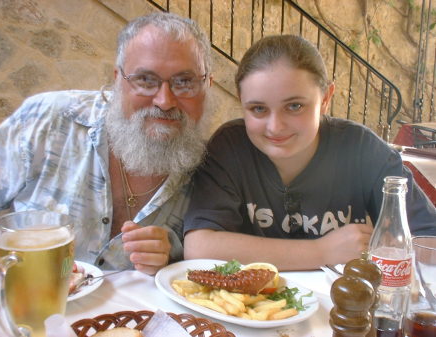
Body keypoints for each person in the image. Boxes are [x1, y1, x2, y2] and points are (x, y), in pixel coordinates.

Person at [183, 34, 436, 271]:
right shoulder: (230, 148)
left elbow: (429, 237)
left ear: (326, 98)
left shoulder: (361, 148)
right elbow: (199, 247)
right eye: (258, 109)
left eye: (294, 106)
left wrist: (387, 248)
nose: (275, 127)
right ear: (241, 102)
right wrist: (321, 251)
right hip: (251, 312)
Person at [0, 12, 213, 275]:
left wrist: (172, 258)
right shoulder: (50, 119)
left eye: (184, 82)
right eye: (146, 80)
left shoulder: (213, 169)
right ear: (118, 79)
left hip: (130, 316)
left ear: (208, 84)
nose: (164, 101)